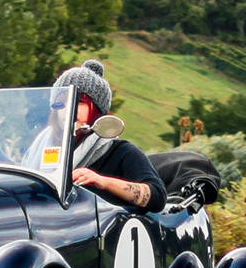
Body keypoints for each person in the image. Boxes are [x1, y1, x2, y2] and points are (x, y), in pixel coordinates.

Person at [58, 60, 165, 214]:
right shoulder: (40, 150)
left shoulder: (121, 152)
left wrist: (102, 181)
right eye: (61, 102)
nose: (69, 108)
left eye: (79, 101)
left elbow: (157, 197)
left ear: (96, 110)